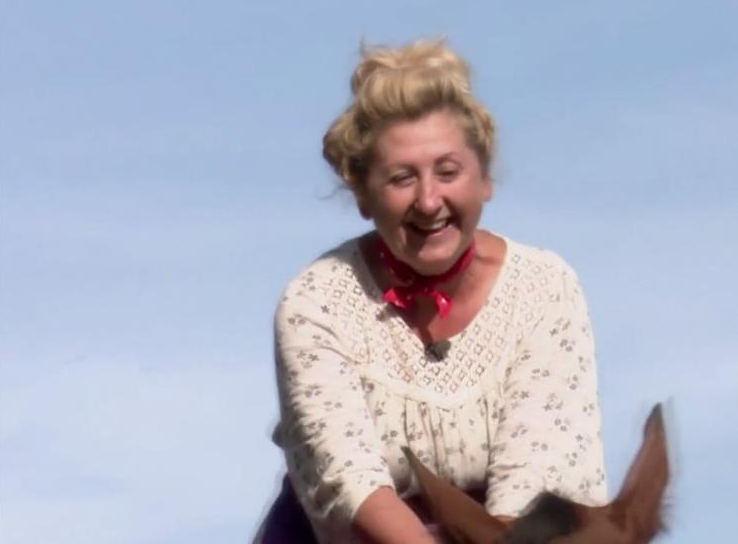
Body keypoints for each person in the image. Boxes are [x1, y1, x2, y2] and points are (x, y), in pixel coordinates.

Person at [258, 39, 607, 544]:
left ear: (484, 179)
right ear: (363, 196)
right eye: (402, 178)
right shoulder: (315, 302)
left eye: (448, 172)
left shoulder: (544, 288)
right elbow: (348, 480)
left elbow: (543, 476)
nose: (428, 201)